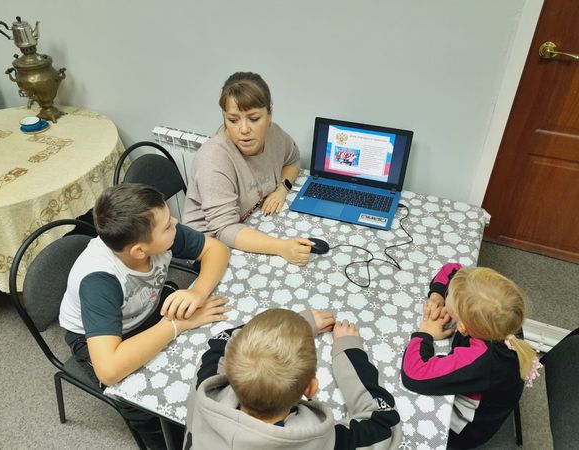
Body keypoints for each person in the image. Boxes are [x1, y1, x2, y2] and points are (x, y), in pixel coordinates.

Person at [59, 183, 231, 450]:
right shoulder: (99, 281)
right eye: (168, 226)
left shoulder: (157, 234)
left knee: (203, 338)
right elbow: (109, 369)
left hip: (143, 306)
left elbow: (216, 249)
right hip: (99, 335)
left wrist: (198, 292)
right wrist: (175, 325)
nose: (175, 223)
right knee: (139, 404)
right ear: (139, 251)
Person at [182, 308, 402, 449]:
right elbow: (384, 423)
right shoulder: (321, 441)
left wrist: (293, 326)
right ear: (310, 388)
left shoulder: (207, 391)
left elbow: (222, 342)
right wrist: (349, 351)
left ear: (229, 369)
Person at [401, 263, 541, 449]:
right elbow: (452, 270)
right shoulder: (505, 318)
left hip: (465, 430)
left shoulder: (483, 360)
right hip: (492, 397)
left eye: (450, 299)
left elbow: (415, 373)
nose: (447, 296)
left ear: (462, 327)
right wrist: (437, 297)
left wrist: (425, 333)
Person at [182, 71, 315, 266]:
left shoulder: (274, 134)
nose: (244, 130)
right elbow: (224, 229)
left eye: (253, 118)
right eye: (233, 120)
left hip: (248, 221)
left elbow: (293, 160)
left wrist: (281, 189)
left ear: (269, 115)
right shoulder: (213, 159)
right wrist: (281, 247)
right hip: (210, 245)